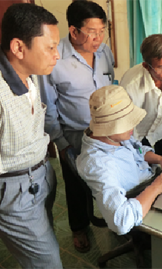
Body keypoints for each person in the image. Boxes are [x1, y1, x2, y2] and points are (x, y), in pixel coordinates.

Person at [0, 3, 62, 269]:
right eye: (50, 47)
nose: (57, 55)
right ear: (18, 47)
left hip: (39, 175)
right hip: (10, 192)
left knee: (44, 245)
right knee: (49, 262)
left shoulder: (26, 71)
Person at [38, 0, 115, 253]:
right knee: (76, 186)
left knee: (106, 178)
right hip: (74, 136)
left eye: (103, 30)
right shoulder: (54, 58)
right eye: (93, 32)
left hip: (106, 134)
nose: (99, 37)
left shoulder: (104, 52)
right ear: (74, 31)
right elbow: (47, 105)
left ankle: (111, 220)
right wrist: (61, 143)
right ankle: (79, 228)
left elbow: (110, 89)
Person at [76, 85, 162, 235]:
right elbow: (121, 222)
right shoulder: (97, 164)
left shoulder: (115, 137)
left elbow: (138, 151)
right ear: (108, 127)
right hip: (143, 201)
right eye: (126, 123)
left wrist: (161, 159)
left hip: (152, 184)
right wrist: (156, 187)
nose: (133, 125)